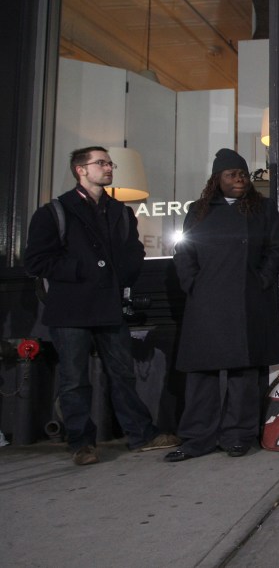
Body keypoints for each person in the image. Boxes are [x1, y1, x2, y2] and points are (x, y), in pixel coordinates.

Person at [24, 146, 180, 465]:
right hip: (70, 309)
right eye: (101, 163)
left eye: (110, 163)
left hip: (109, 307)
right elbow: (36, 261)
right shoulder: (54, 211)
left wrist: (123, 273)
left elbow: (134, 252)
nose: (109, 168)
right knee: (74, 379)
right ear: (81, 170)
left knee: (122, 374)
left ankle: (141, 434)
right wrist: (84, 269)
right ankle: (82, 443)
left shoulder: (120, 211)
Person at [165, 149, 279, 462]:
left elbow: (277, 248)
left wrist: (259, 280)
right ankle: (196, 438)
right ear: (217, 179)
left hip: (247, 298)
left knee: (243, 373)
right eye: (232, 174)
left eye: (243, 174)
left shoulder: (263, 209)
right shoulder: (199, 210)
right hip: (206, 300)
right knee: (201, 374)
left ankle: (238, 435)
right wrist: (192, 283)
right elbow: (184, 251)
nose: (240, 179)